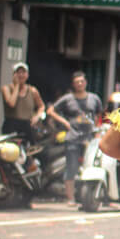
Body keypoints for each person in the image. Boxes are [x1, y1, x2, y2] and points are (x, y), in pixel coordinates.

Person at [48, 71, 104, 205]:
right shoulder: (68, 98)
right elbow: (50, 111)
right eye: (77, 82)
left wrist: (97, 131)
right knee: (71, 167)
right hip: (73, 137)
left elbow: (100, 115)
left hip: (90, 138)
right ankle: (70, 198)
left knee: (92, 165)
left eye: (82, 81)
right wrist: (65, 123)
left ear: (86, 82)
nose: (80, 83)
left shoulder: (94, 98)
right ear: (73, 84)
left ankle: (93, 196)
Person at [1, 62, 45, 141]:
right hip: (11, 125)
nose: (21, 75)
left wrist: (37, 117)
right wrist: (17, 86)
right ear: (14, 75)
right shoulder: (6, 88)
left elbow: (41, 106)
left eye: (23, 72)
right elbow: (11, 104)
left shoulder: (32, 90)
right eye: (18, 72)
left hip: (27, 125)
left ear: (27, 75)